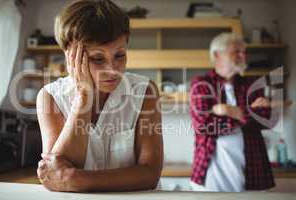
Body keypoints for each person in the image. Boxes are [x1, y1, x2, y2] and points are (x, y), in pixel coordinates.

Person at [36, 0, 163, 192]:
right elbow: (55, 174)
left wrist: (76, 178)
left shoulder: (145, 91)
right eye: (97, 58)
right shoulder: (50, 97)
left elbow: (150, 173)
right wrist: (83, 96)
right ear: (70, 54)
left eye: (119, 55)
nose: (112, 70)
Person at [189, 32, 279, 192]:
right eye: (236, 51)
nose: (243, 55)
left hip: (253, 170)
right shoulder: (201, 84)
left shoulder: (253, 84)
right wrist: (249, 113)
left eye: (244, 52)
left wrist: (232, 112)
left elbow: (267, 120)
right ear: (217, 55)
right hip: (212, 172)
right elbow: (205, 126)